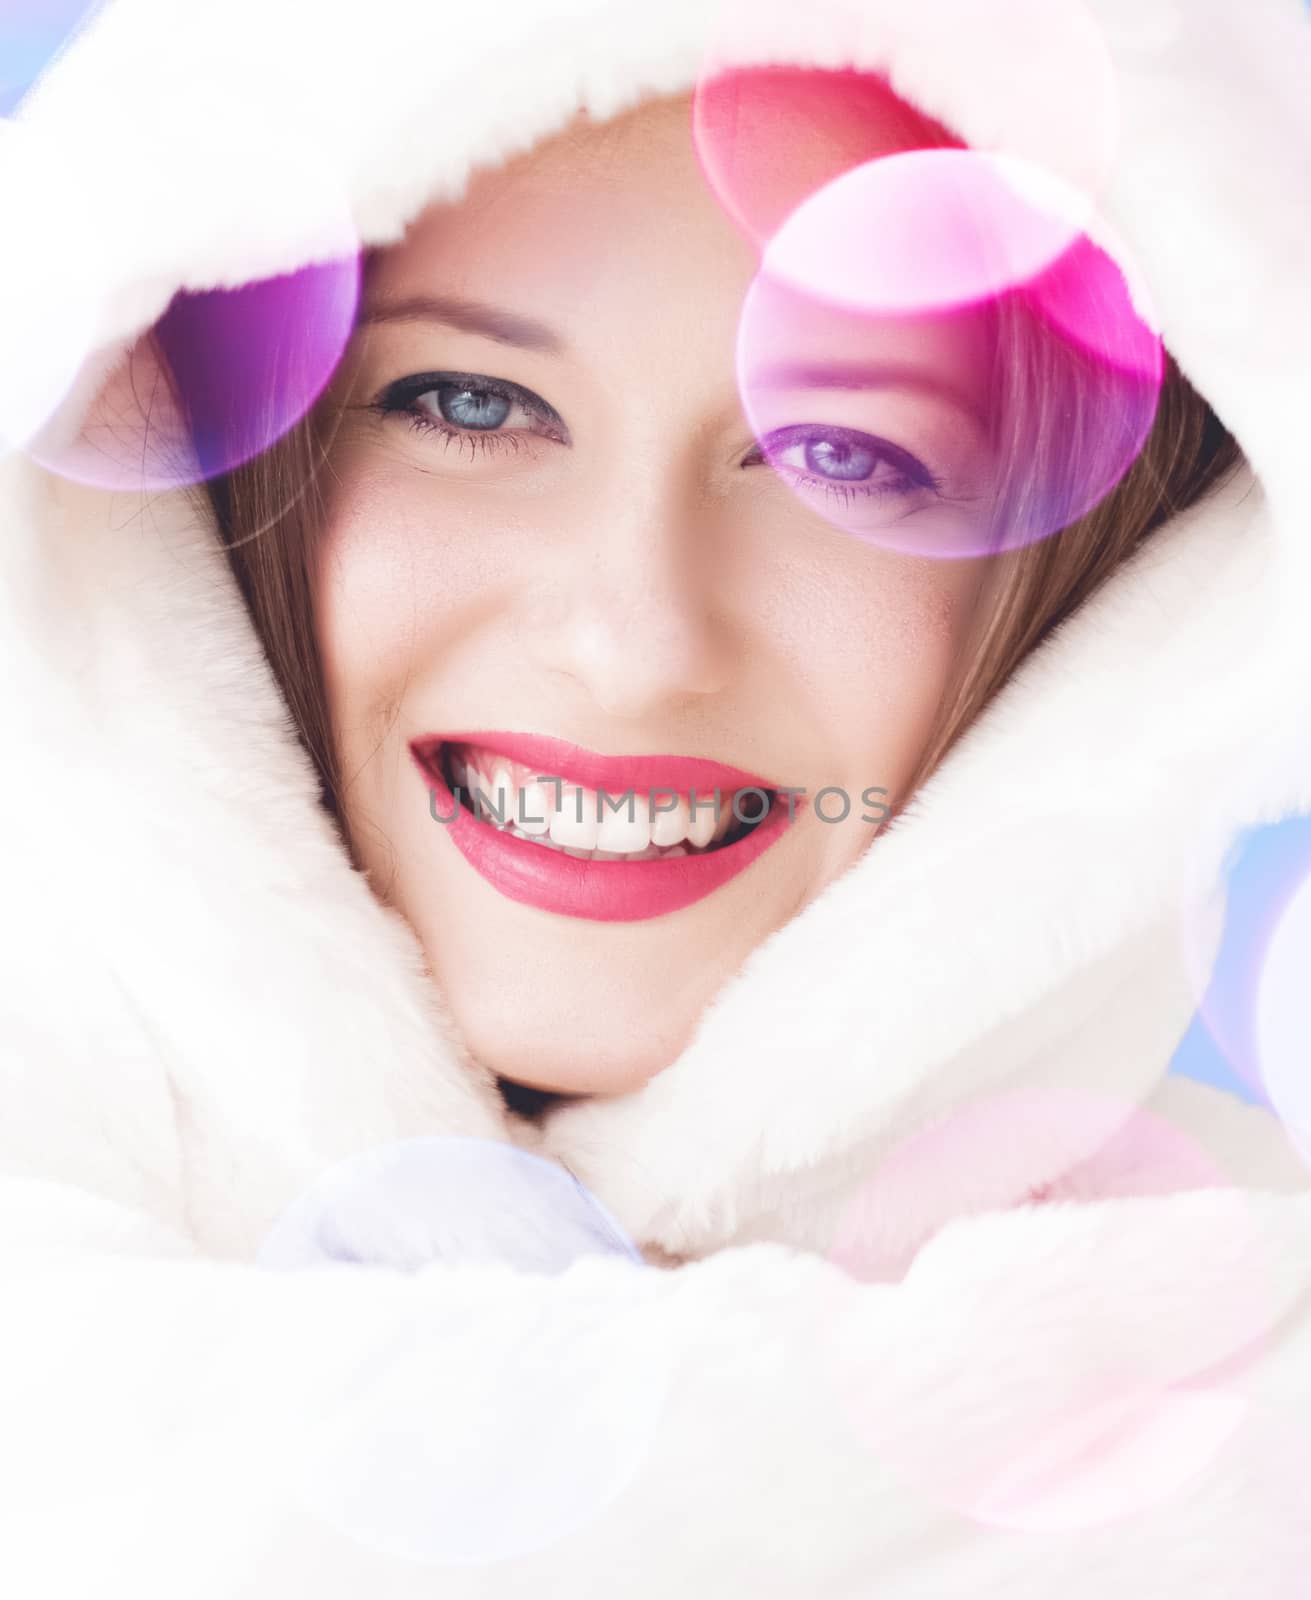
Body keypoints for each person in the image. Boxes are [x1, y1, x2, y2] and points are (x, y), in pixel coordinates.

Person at [2, 0, 1310, 1594]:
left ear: (1133, 609)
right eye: (467, 404)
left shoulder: (1253, 1435)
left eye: (851, 453)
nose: (630, 646)